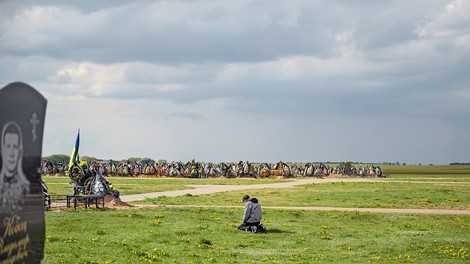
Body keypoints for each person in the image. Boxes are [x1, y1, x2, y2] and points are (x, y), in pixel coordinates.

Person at [0, 122, 30, 213]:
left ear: (20, 152)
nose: (11, 153)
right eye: (8, 146)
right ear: (3, 149)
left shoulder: (26, 187)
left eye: (15, 147)